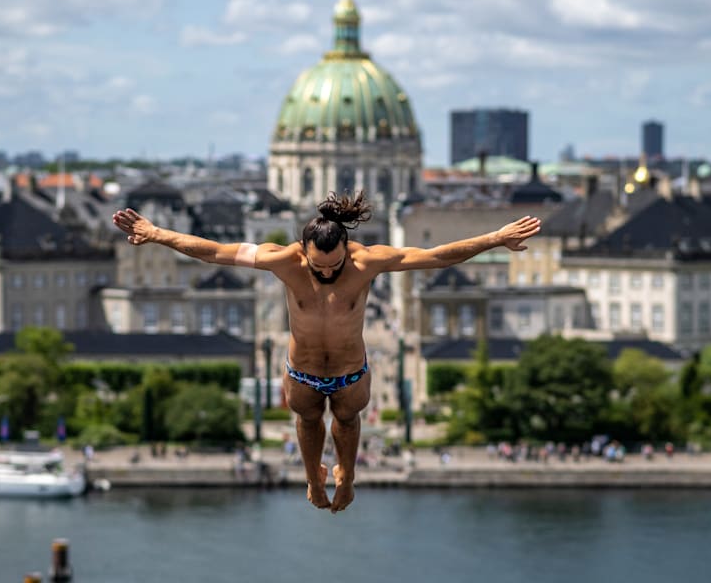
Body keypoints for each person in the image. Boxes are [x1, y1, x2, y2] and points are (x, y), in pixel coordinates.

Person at [113, 192, 540, 512]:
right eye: (320, 267)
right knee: (308, 417)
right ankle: (313, 480)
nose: (328, 273)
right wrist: (156, 234)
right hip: (302, 369)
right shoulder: (284, 260)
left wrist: (495, 238)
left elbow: (434, 257)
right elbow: (214, 252)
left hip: (352, 368)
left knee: (348, 419)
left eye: (335, 265)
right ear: (305, 252)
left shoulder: (367, 262)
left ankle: (347, 478)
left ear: (345, 250)